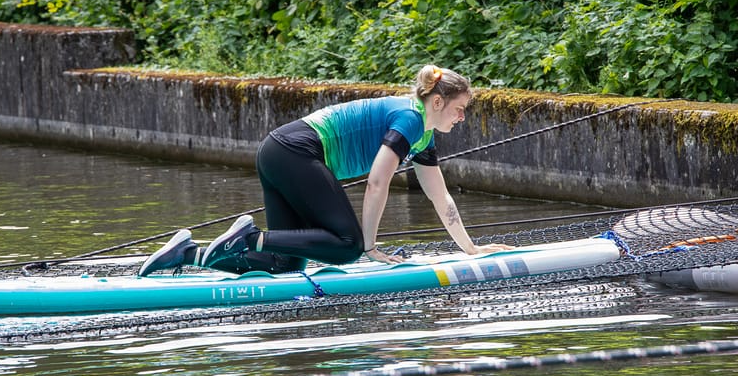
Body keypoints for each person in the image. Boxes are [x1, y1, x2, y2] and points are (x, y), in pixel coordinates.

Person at [138, 64, 512, 277]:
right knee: (347, 245)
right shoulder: (409, 120)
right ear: (437, 101)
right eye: (460, 108)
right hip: (295, 150)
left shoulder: (423, 136)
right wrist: (369, 247)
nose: (463, 117)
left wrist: (471, 248)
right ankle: (247, 239)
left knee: (285, 263)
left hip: (278, 151)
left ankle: (189, 254)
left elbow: (439, 195)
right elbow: (378, 182)